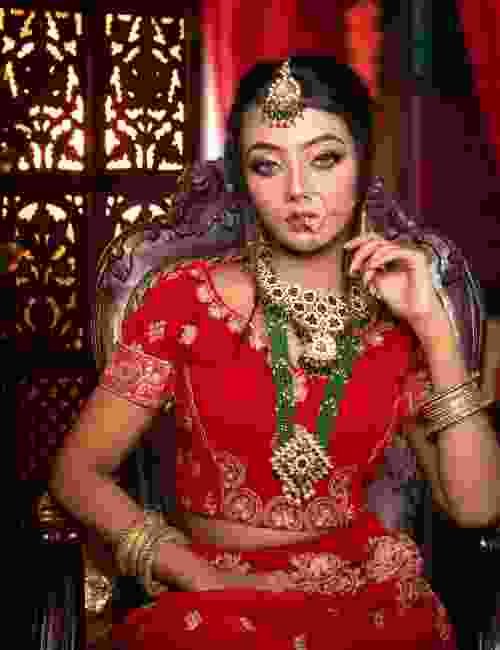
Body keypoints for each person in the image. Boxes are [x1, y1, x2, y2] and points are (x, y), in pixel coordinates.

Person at [49, 55, 500, 649]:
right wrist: (194, 573)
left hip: (366, 600)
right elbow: (76, 473)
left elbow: (476, 506)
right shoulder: (185, 299)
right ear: (243, 180)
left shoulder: (397, 319)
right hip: (217, 602)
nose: (298, 191)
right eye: (268, 164)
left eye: (324, 159)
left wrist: (434, 326)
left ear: (363, 165)